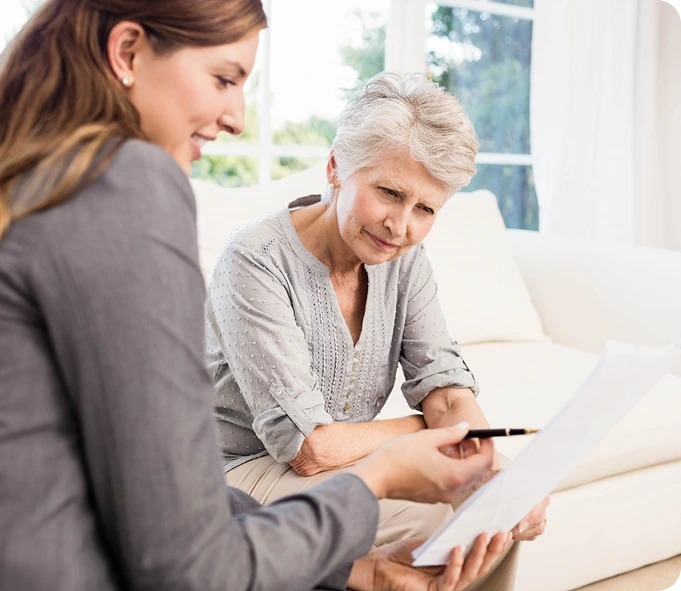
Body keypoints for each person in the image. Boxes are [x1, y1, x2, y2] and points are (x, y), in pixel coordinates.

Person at [0, 1, 512, 590]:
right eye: (224, 79)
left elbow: (152, 490)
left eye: (425, 208)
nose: (237, 118)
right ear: (127, 52)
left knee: (478, 521)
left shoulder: (22, 182)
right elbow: (187, 553)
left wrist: (363, 566)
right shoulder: (130, 186)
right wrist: (386, 470)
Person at [206, 72, 550, 588]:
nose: (401, 225)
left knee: (492, 509)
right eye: (390, 192)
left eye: (426, 208)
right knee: (430, 518)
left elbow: (445, 389)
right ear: (336, 167)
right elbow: (311, 449)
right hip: (234, 476)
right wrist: (424, 431)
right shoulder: (255, 261)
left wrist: (491, 465)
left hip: (346, 465)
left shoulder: (404, 262)